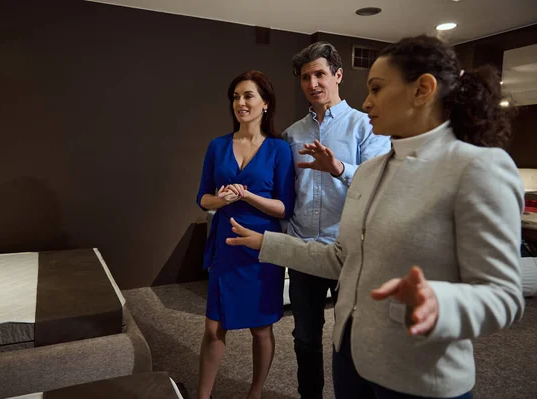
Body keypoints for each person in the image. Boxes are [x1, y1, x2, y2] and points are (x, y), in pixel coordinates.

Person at [226, 35, 525, 399]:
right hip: (351, 360)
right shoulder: (371, 172)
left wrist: (440, 303)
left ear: (422, 90)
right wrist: (267, 242)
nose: (366, 102)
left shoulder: (479, 168)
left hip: (418, 375)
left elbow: (503, 296)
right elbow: (342, 257)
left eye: (377, 88)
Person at [283, 41, 390, 398]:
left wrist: (339, 168)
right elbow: (288, 191)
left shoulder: (366, 126)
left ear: (338, 75)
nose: (313, 83)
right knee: (305, 338)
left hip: (350, 252)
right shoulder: (292, 134)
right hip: (304, 250)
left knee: (352, 338)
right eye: (305, 77)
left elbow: (380, 182)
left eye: (320, 74)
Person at [195, 70, 295, 399]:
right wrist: (221, 199)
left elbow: (284, 207)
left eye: (248, 96)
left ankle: (255, 394)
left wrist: (248, 195)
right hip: (226, 245)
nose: (241, 103)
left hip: (263, 248)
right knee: (213, 328)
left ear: (265, 103)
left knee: (261, 328)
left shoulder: (280, 150)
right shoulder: (217, 146)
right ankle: (203, 396)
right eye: (236, 97)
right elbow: (202, 199)